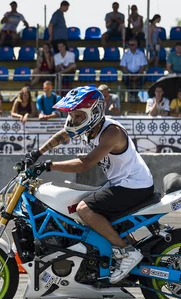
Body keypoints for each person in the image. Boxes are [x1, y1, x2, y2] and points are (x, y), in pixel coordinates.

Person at [24, 86, 154, 284]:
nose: (74, 120)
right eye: (72, 116)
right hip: (120, 182)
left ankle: (126, 252)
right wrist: (37, 153)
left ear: (93, 114)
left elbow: (84, 164)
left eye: (78, 116)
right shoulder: (88, 127)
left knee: (84, 209)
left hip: (134, 186)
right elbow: (63, 134)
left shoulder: (111, 133)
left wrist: (49, 166)